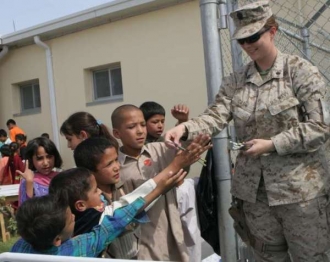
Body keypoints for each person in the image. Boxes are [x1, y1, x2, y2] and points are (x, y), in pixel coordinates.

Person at [164, 1, 330, 261]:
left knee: (311, 257)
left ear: (272, 31)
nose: (248, 45)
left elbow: (320, 128)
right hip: (255, 196)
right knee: (266, 257)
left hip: (300, 194)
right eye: (242, 40)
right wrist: (184, 127)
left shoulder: (300, 72)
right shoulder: (235, 81)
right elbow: (215, 115)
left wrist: (272, 143)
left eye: (254, 37)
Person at [10, 157, 200, 257]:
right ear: (58, 239)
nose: (73, 218)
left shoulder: (20, 246)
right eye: (70, 218)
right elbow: (120, 217)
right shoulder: (81, 247)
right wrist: (159, 189)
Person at [111, 104, 210, 261]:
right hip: (141, 244)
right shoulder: (116, 167)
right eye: (131, 127)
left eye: (143, 125)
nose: (140, 131)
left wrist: (183, 122)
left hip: (171, 234)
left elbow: (183, 149)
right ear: (117, 133)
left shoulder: (158, 150)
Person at [140, 101, 201, 262]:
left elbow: (179, 147)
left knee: (187, 238)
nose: (160, 126)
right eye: (154, 122)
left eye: (162, 121)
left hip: (176, 194)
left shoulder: (165, 141)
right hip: (155, 201)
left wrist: (182, 122)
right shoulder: (140, 148)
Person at [17, 137, 63, 205]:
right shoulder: (28, 180)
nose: (45, 163)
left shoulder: (62, 178)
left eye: (49, 157)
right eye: (39, 158)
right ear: (31, 160)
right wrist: (29, 182)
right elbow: (24, 210)